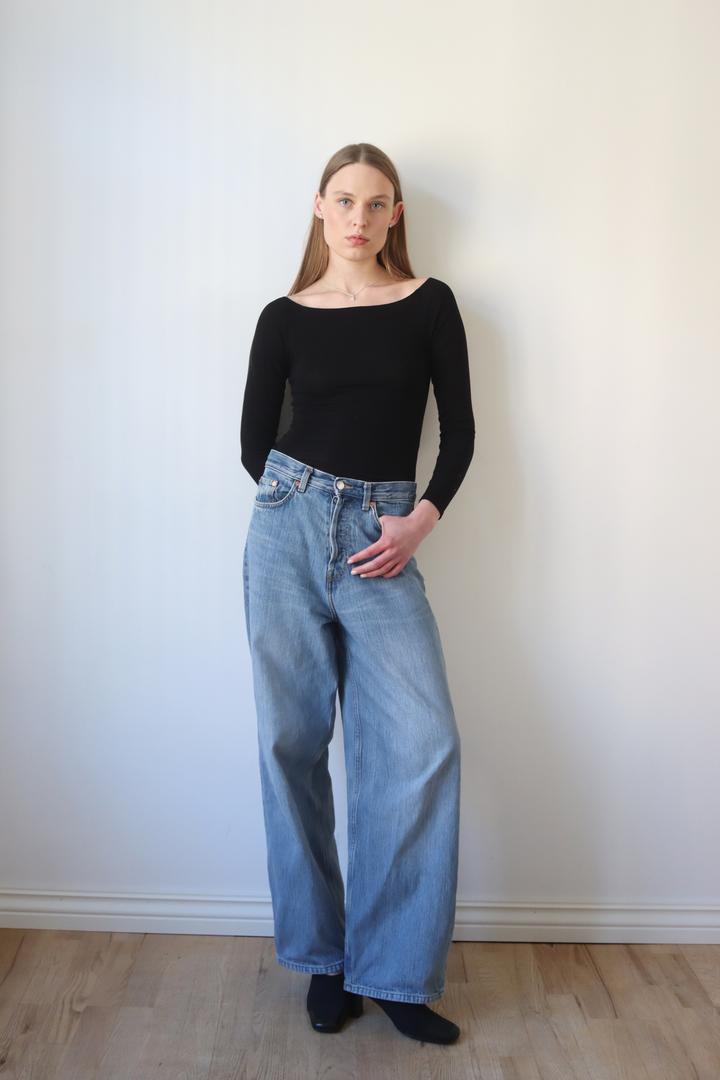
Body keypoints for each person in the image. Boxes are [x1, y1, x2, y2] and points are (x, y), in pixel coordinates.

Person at [240, 142, 475, 1046]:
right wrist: (303, 514)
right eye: (345, 200)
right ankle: (325, 962)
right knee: (290, 744)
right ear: (319, 207)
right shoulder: (282, 316)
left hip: (387, 534)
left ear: (395, 216)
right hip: (288, 528)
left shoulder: (430, 303)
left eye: (377, 204)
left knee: (422, 743)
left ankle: (397, 972)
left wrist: (417, 522)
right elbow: (255, 442)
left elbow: (459, 434)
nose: (359, 218)